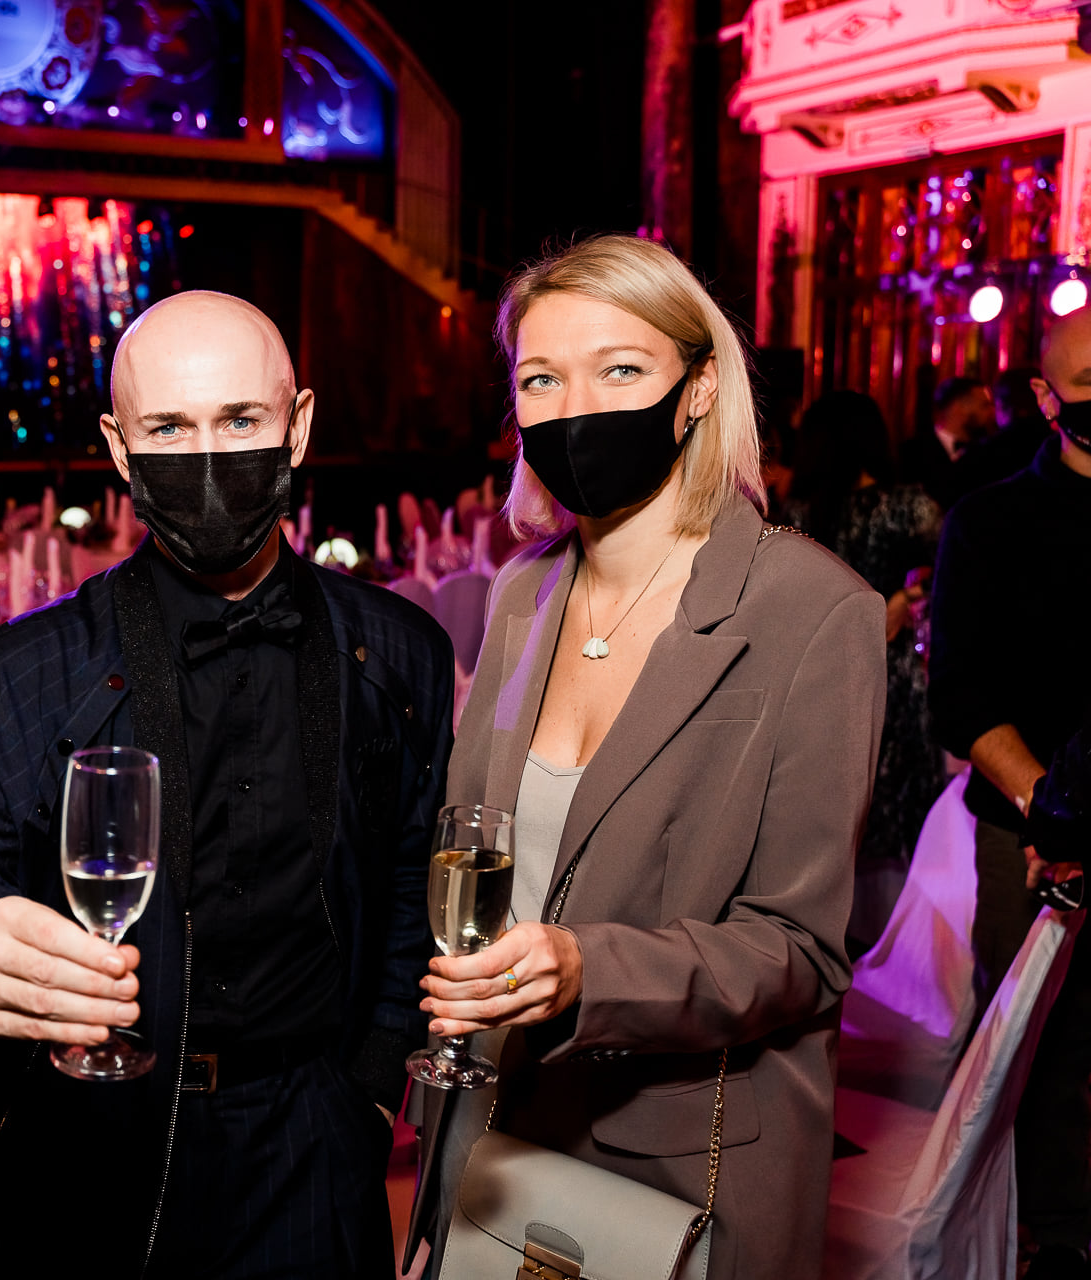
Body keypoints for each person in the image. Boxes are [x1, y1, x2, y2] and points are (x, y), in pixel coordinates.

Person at [0, 289, 456, 1279]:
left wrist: (369, 1085)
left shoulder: (400, 653)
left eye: (241, 420)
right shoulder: (21, 673)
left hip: (312, 1139)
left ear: (297, 427)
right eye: (171, 428)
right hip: (92, 1133)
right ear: (119, 447)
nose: (208, 455)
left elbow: (411, 875)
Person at [423, 235, 884, 1280]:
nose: (575, 407)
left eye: (620, 369)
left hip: (677, 1162)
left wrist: (589, 971)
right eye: (541, 379)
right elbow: (474, 846)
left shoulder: (813, 610)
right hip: (491, 1126)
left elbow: (800, 951)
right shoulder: (521, 593)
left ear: (698, 388)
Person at [929, 307, 1091, 1280]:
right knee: (1035, 1050)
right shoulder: (989, 522)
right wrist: (1052, 809)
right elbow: (960, 696)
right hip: (1026, 834)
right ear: (1045, 396)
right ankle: (1051, 1238)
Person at [784, 389, 943, 949]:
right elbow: (945, 569)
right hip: (887, 671)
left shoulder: (798, 514)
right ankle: (897, 944)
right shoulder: (908, 506)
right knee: (892, 802)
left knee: (834, 796)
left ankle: (828, 935)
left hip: (820, 672)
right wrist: (904, 598)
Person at [953, 364, 1052, 496]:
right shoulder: (1058, 444)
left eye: (992, 404)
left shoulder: (983, 453)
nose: (991, 413)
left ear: (1001, 404)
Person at [899, 374, 992, 510]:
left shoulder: (988, 451)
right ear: (958, 407)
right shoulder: (912, 451)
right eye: (984, 406)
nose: (991, 412)